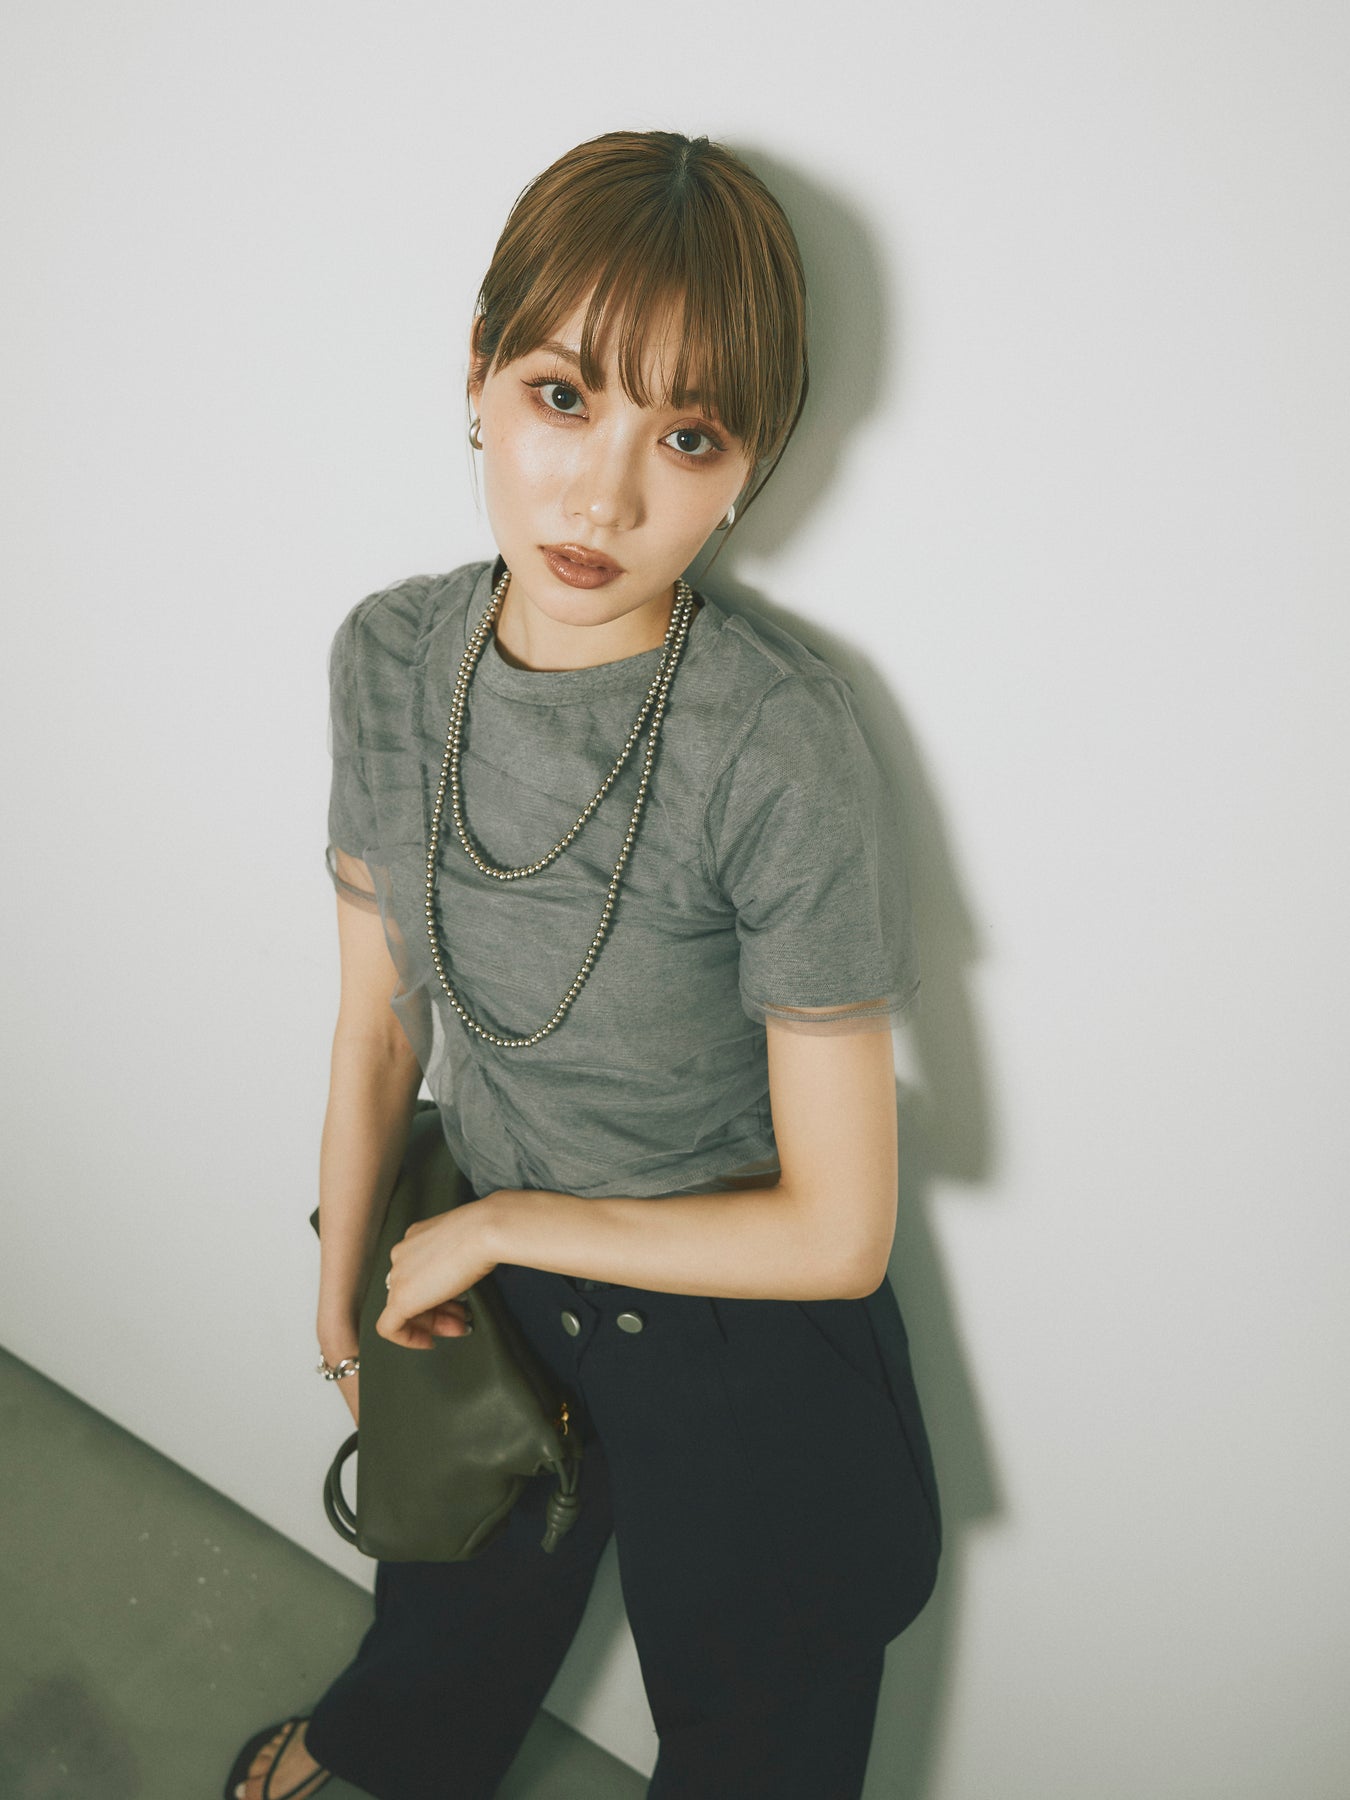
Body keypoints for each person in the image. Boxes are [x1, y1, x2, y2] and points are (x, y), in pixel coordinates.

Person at [226, 128, 941, 1800]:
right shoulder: (389, 656)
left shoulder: (775, 742)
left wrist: (490, 1227)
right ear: (476, 375)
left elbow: (837, 1234)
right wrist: (345, 1271)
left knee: (758, 1718)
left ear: (747, 467)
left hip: (735, 1320)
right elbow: (379, 1021)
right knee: (451, 1594)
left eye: (685, 437)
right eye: (561, 396)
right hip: (488, 1261)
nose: (604, 498)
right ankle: (387, 1750)